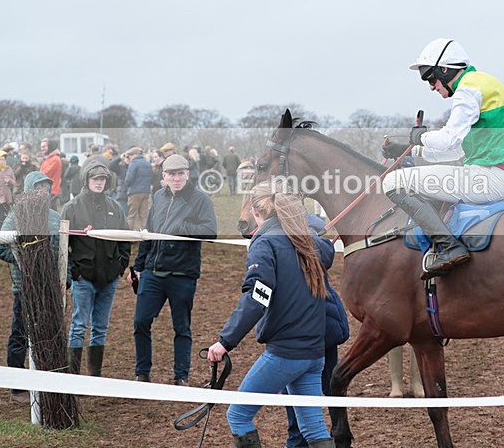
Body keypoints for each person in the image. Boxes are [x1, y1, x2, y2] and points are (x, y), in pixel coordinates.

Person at [205, 180, 335, 448]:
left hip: (285, 353)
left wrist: (224, 341)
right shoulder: (308, 239)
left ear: (255, 210)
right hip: (314, 353)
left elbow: (256, 297)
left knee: (238, 415)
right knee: (313, 428)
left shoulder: (264, 244)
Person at [381, 38, 504, 279]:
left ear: (444, 70)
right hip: (496, 174)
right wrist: (411, 149)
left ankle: (448, 246)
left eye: (430, 77)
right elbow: (456, 151)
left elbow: (448, 140)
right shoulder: (482, 83)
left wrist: (420, 137)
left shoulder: (468, 88)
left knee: (392, 183)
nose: (431, 87)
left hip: (488, 178)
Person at [129, 154, 217, 385]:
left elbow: (210, 230)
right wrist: (138, 266)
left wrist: (181, 227)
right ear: (164, 176)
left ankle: (181, 377)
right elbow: (148, 232)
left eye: (180, 173)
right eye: (171, 174)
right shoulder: (158, 197)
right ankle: (142, 372)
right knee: (140, 322)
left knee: (181, 328)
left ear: (187, 174)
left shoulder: (200, 200)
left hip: (182, 274)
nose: (176, 178)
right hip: (153, 272)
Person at [284, 213, 350, 448]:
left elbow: (323, 246)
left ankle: (340, 436)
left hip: (318, 330)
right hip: (292, 334)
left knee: (330, 387)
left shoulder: (305, 227)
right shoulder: (270, 237)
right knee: (297, 406)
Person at [0, 171, 61, 402]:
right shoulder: (14, 218)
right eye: (39, 187)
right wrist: (30, 259)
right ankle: (17, 386)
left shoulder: (55, 217)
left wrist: (66, 278)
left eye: (47, 188)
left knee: (50, 332)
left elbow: (63, 252)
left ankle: (50, 380)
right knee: (20, 334)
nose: (44, 192)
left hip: (49, 288)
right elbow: (1, 248)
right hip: (24, 287)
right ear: (29, 190)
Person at [62, 161, 131, 376]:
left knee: (100, 327)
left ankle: (94, 376)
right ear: (86, 180)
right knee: (79, 325)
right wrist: (74, 272)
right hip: (83, 278)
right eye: (95, 179)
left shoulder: (114, 207)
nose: (99, 183)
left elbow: (125, 239)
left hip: (109, 278)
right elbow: (64, 245)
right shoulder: (72, 207)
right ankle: (74, 376)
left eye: (103, 179)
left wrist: (120, 266)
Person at [124, 146, 152, 230]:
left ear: (135, 154)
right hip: (146, 191)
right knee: (144, 215)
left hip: (135, 192)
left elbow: (128, 179)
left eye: (131, 155)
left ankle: (128, 234)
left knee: (132, 215)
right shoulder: (147, 163)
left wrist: (128, 185)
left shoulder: (134, 163)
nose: (130, 157)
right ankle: (145, 233)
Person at [39, 138, 63, 210]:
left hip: (51, 190)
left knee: (51, 215)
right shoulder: (49, 159)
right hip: (47, 190)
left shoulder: (55, 159)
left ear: (50, 146)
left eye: (44, 147)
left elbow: (44, 174)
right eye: (41, 147)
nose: (42, 149)